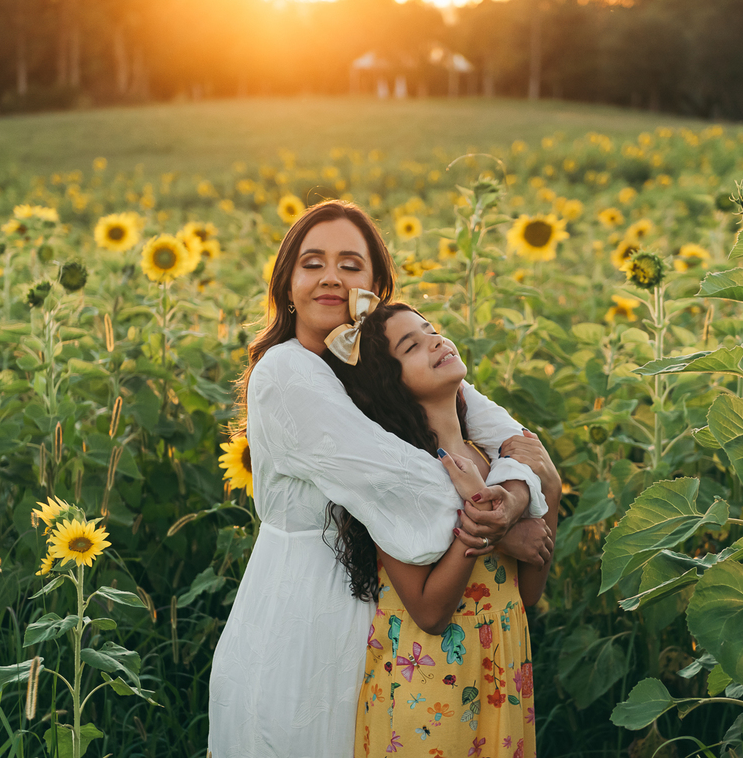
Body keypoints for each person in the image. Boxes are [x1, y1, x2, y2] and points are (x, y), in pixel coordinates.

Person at [207, 201, 556, 758]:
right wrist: (502, 527)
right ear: (287, 283)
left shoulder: (380, 372)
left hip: (384, 610)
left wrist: (511, 499)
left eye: (350, 264)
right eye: (312, 262)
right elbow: (397, 480)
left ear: (374, 287)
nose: (330, 277)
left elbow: (522, 446)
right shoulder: (287, 370)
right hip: (307, 601)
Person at [321, 300, 561, 758]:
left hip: (501, 664)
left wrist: (550, 489)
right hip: (431, 682)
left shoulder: (488, 459)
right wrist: (482, 526)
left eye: (431, 329)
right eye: (412, 345)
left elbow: (526, 592)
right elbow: (429, 613)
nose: (434, 340)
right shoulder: (396, 478)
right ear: (391, 387)